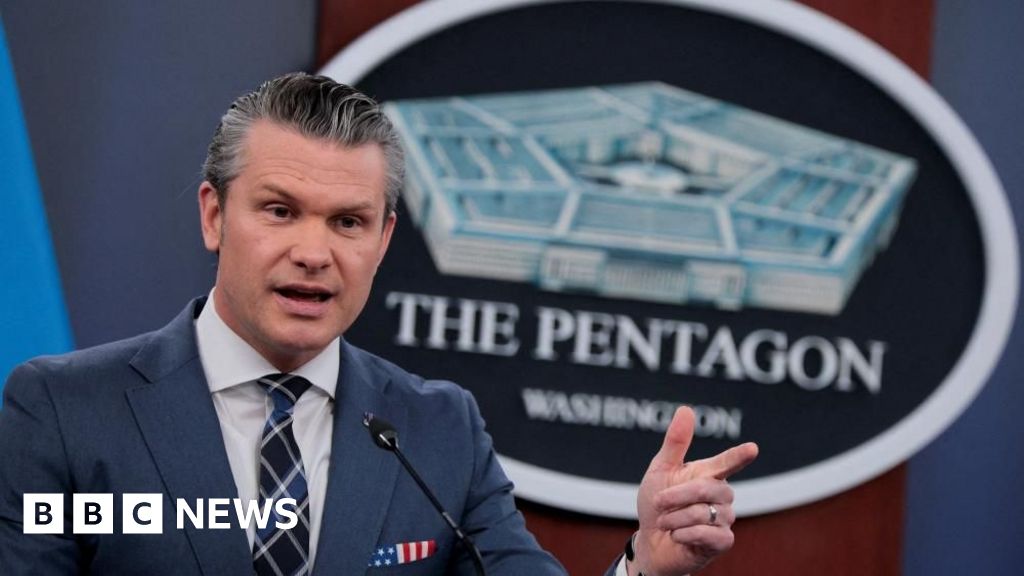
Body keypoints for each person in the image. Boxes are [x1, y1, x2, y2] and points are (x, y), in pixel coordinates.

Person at [0, 73, 758, 575]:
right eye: (279, 211)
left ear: (384, 239)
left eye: (348, 222)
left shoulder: (437, 429)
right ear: (213, 215)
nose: (314, 253)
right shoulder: (66, 411)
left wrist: (646, 562)